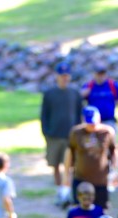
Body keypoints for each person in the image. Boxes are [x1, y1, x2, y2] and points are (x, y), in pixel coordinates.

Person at [41, 62, 83, 191]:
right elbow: (44, 114)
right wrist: (46, 131)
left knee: (70, 163)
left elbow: (78, 113)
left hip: (70, 134)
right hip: (54, 134)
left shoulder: (75, 93)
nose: (64, 78)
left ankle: (67, 186)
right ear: (57, 76)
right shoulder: (49, 94)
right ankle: (58, 185)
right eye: (61, 75)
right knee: (54, 162)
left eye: (66, 75)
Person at [67, 106, 118, 210]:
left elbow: (114, 151)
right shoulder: (76, 132)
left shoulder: (107, 132)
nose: (92, 126)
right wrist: (66, 174)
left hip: (101, 179)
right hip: (81, 177)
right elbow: (69, 153)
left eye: (94, 123)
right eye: (89, 123)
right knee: (80, 209)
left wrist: (115, 170)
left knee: (100, 209)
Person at [81, 63, 118, 130]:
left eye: (103, 74)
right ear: (94, 74)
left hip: (109, 121)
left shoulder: (112, 85)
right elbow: (80, 101)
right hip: (93, 122)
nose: (101, 76)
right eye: (99, 74)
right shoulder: (89, 86)